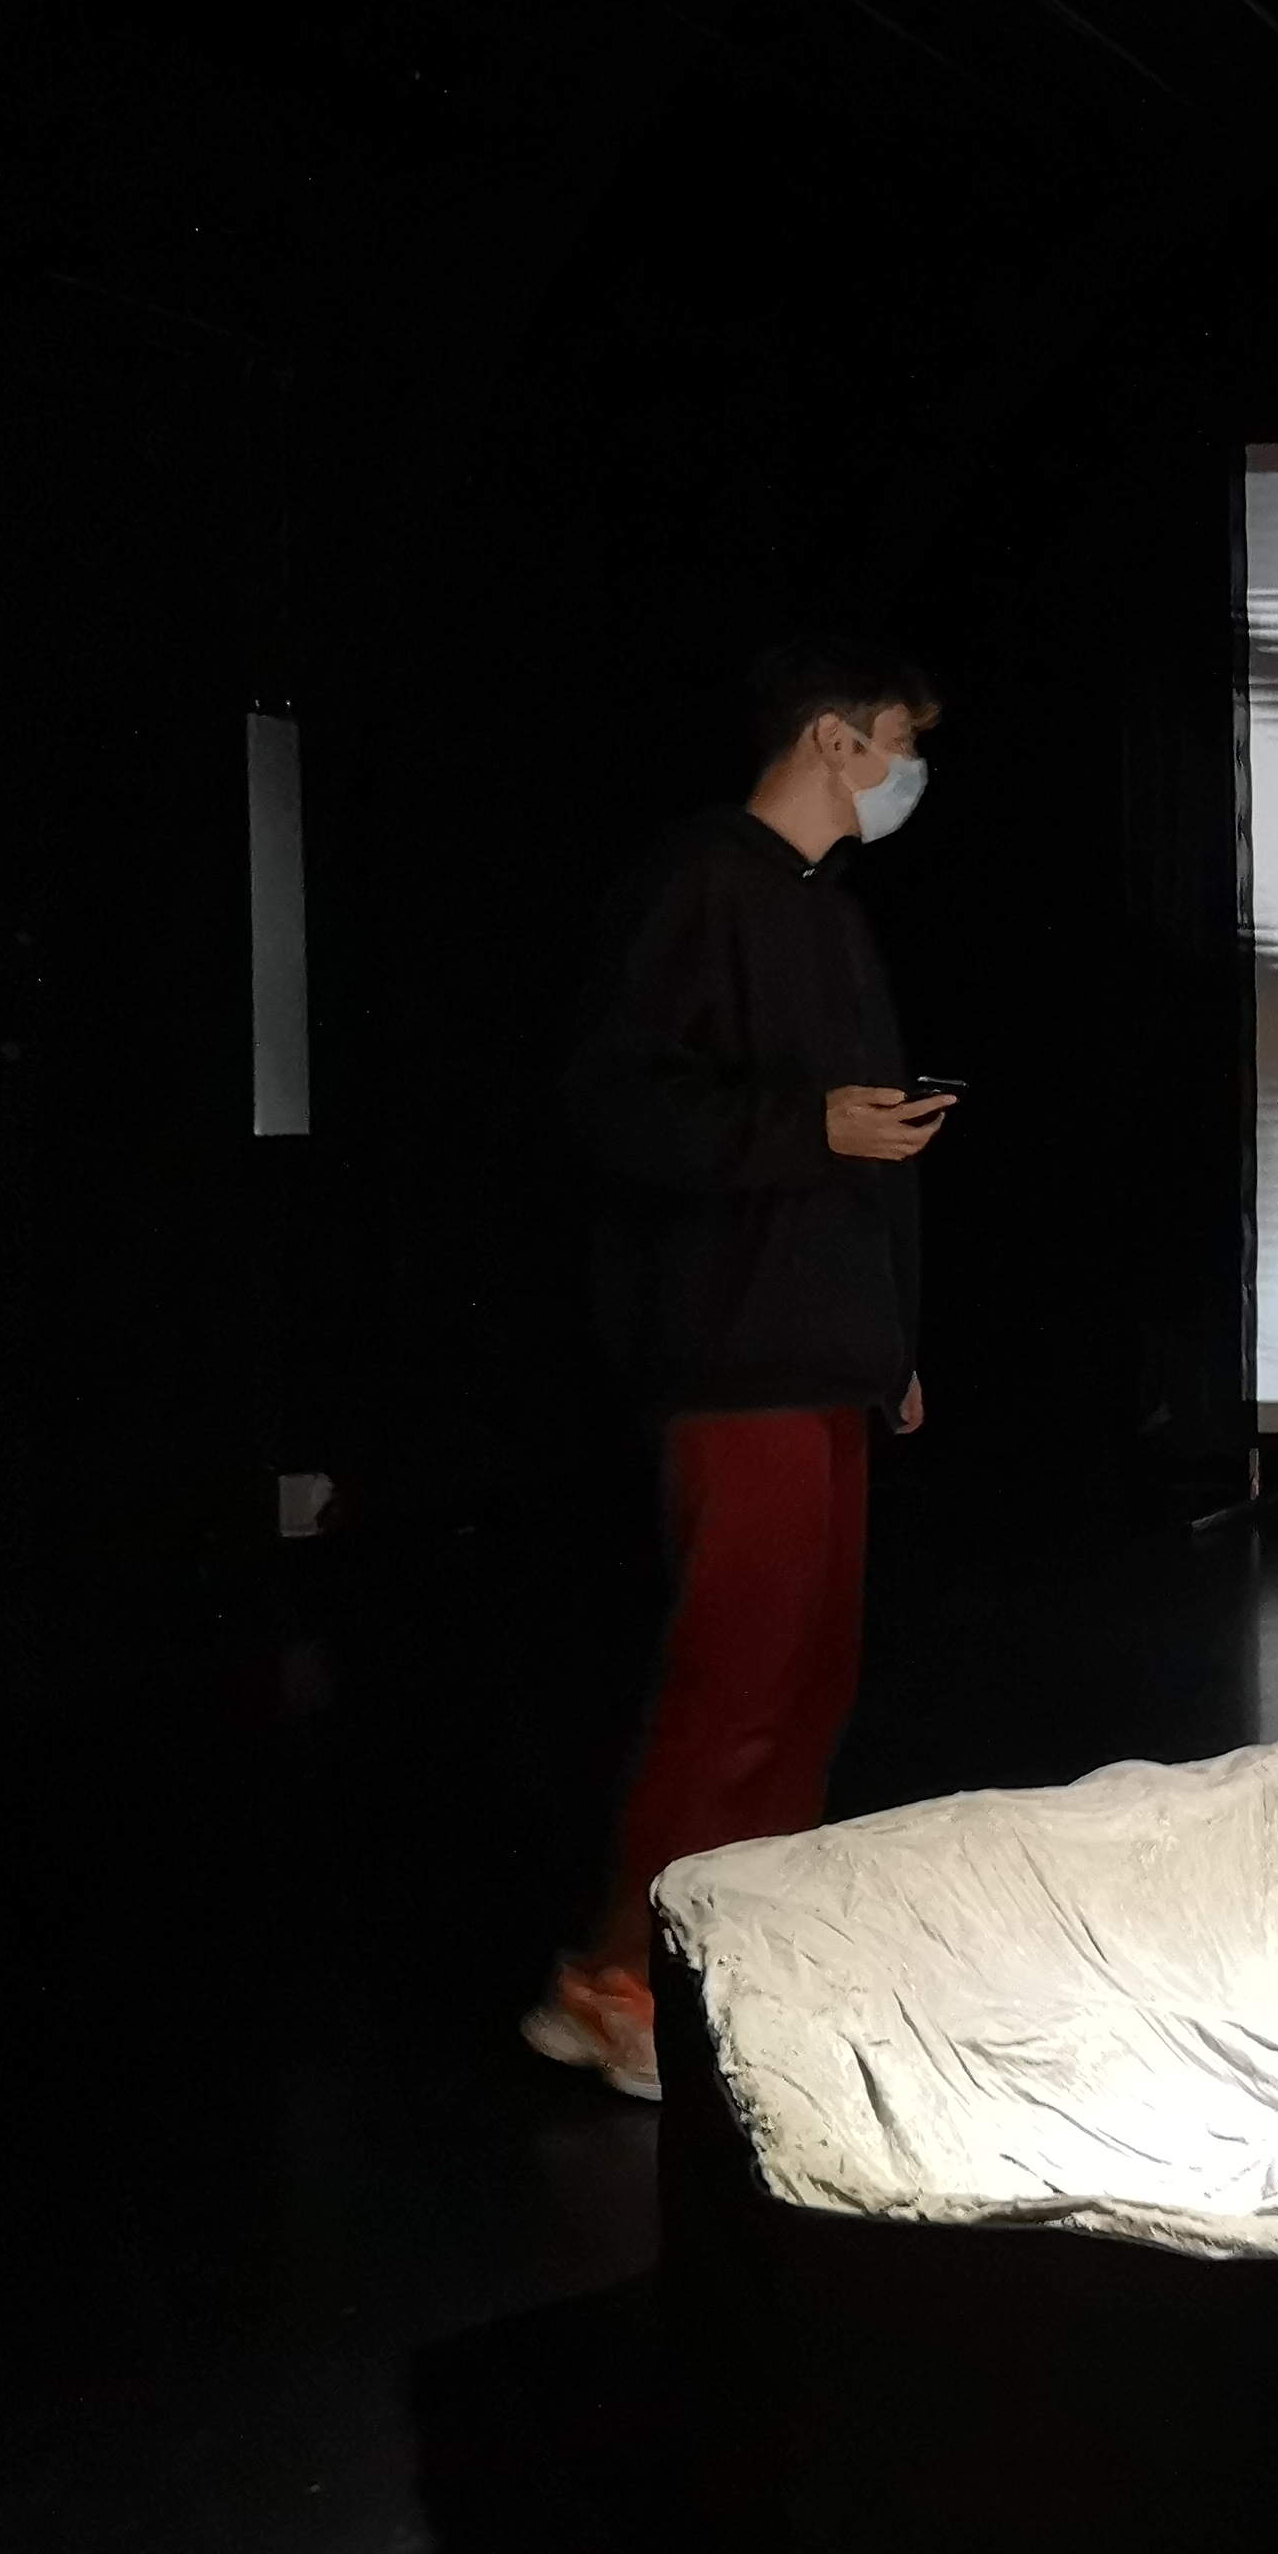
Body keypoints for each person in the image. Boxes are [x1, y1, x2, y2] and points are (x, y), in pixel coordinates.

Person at [523, 637, 952, 2099]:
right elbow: (616, 1106)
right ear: (835, 737)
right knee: (737, 1683)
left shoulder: (827, 911)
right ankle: (618, 1983)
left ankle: (739, 1962)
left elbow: (863, 1148)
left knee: (807, 1682)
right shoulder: (700, 883)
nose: (906, 770)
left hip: (825, 1351)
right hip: (735, 1349)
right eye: (899, 739)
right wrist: (808, 1127)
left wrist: (891, 1343)